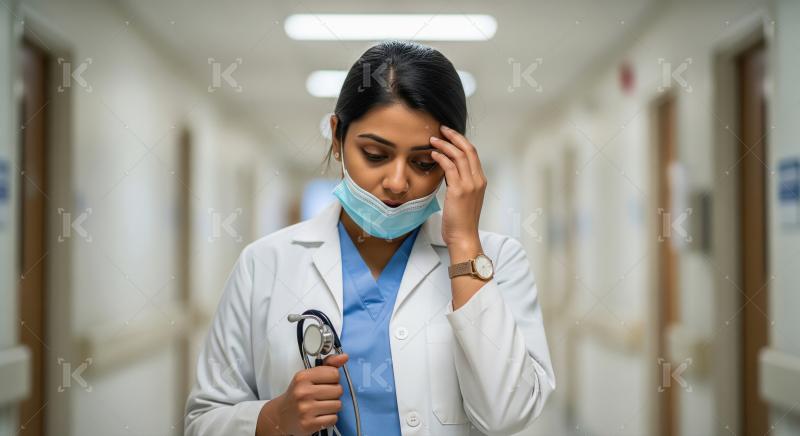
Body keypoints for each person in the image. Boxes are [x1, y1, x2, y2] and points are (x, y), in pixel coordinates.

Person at [184, 40, 555, 436]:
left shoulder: (496, 261)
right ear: (337, 138)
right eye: (376, 154)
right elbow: (203, 419)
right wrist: (274, 418)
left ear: (454, 160)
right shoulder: (265, 263)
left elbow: (507, 415)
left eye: (423, 162)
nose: (397, 182)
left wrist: (463, 244)